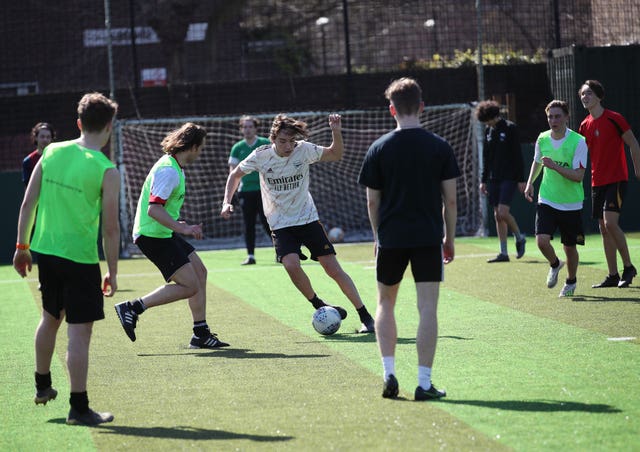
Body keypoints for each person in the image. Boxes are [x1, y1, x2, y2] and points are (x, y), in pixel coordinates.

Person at [13, 92, 119, 425]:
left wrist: (21, 247)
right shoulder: (107, 169)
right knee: (78, 332)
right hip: (80, 258)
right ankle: (79, 407)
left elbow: (28, 204)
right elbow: (111, 229)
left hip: (46, 252)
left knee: (50, 318)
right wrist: (112, 273)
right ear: (109, 127)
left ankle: (42, 385)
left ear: (78, 123)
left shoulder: (52, 152)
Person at [221, 113, 375, 333]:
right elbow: (235, 175)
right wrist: (226, 202)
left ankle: (365, 315)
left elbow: (335, 154)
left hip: (307, 219)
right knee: (291, 265)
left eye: (291, 141)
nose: (288, 146)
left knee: (332, 268)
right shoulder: (261, 155)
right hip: (280, 224)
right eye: (283, 141)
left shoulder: (303, 149)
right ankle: (320, 305)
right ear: (273, 139)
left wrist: (336, 131)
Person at [358, 77, 459, 401]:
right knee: (427, 308)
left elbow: (372, 202)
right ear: (422, 106)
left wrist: (378, 236)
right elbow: (451, 201)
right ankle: (424, 382)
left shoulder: (379, 148)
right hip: (428, 236)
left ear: (392, 110)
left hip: (391, 238)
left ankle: (389, 374)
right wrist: (450, 238)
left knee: (385, 303)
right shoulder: (440, 146)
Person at [114, 122, 230, 349]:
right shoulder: (168, 170)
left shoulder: (174, 167)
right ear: (193, 146)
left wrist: (176, 225)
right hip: (152, 236)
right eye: (201, 147)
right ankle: (133, 308)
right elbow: (153, 209)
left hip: (163, 232)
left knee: (200, 272)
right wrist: (183, 228)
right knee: (190, 285)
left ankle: (200, 334)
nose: (201, 152)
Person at [578, 79, 640, 288]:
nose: (584, 97)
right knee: (604, 228)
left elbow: (633, 143)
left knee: (611, 223)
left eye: (588, 94)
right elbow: (580, 154)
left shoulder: (614, 118)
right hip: (597, 183)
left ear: (599, 96)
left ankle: (629, 267)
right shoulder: (584, 125)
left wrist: (638, 170)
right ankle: (613, 275)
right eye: (582, 95)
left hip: (617, 180)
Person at [524, 100, 588, 297]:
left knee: (570, 248)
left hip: (571, 203)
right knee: (542, 241)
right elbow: (537, 162)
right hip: (547, 199)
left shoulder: (579, 141)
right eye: (550, 116)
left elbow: (578, 176)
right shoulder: (542, 139)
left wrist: (554, 166)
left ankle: (571, 281)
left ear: (567, 117)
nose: (554, 120)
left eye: (558, 116)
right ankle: (555, 264)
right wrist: (529, 183)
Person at [475, 100, 527, 263]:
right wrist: (483, 180)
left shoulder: (510, 128)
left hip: (509, 177)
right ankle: (503, 253)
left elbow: (518, 156)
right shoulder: (489, 130)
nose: (486, 123)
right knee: (498, 216)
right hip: (493, 178)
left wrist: (521, 179)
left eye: (487, 119)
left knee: (503, 212)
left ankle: (520, 237)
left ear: (493, 115)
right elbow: (486, 157)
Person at [228, 116, 273, 265]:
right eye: (244, 127)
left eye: (250, 126)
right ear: (241, 129)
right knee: (249, 224)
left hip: (265, 191)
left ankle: (281, 252)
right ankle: (251, 256)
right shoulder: (237, 148)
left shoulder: (265, 144)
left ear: (255, 128)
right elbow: (233, 173)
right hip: (246, 192)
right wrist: (231, 194)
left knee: (269, 223)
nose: (247, 129)